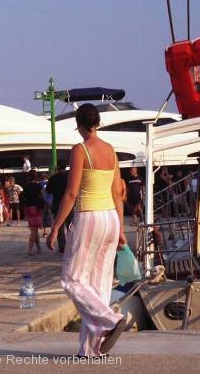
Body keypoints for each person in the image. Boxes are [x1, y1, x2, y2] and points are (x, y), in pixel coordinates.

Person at [47, 103, 127, 357]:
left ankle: (109, 320)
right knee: (99, 286)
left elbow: (71, 192)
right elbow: (117, 192)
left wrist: (55, 227)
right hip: (111, 219)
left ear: (80, 124)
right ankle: (90, 349)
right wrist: (122, 228)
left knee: (72, 280)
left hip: (89, 217)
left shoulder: (80, 150)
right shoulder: (111, 150)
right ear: (98, 122)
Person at [46, 162, 70, 252]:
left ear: (58, 168)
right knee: (70, 226)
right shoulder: (69, 177)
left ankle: (62, 246)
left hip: (57, 204)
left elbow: (48, 191)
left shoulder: (53, 178)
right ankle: (72, 244)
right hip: (69, 204)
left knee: (59, 226)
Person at [22, 170, 44, 255]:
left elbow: (23, 197)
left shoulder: (25, 186)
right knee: (34, 231)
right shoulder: (39, 186)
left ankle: (38, 248)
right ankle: (30, 249)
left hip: (28, 209)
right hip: (36, 208)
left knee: (34, 229)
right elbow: (43, 196)